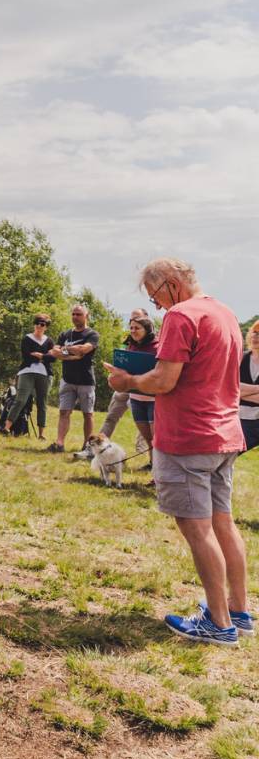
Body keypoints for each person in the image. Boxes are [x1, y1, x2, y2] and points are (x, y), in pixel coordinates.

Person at [105, 257, 250, 644]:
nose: (157, 307)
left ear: (171, 283)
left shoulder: (181, 316)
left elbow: (165, 380)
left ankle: (218, 624)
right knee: (223, 523)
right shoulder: (226, 313)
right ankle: (238, 609)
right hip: (224, 434)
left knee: (198, 530)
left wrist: (127, 379)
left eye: (155, 297)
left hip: (188, 437)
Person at [47, 304, 99, 454]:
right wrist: (73, 355)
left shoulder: (92, 334)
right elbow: (54, 352)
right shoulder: (65, 334)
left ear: (86, 316)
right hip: (67, 379)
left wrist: (65, 351)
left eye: (79, 314)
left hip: (86, 381)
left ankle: (87, 446)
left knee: (87, 414)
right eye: (73, 314)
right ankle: (59, 443)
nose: (75, 317)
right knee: (64, 412)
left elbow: (84, 350)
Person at [97, 307, 150, 447]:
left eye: (137, 319)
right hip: (124, 386)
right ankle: (96, 447)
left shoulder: (154, 342)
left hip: (141, 389)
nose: (133, 323)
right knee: (111, 417)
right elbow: (122, 356)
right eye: (131, 320)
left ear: (146, 320)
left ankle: (142, 449)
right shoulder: (128, 339)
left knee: (143, 420)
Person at [4, 315, 54, 439]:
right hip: (27, 372)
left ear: (46, 327)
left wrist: (40, 356)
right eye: (37, 323)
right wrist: (44, 356)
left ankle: (41, 434)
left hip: (44, 375)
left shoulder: (49, 341)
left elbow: (53, 358)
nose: (39, 326)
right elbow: (26, 355)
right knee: (20, 400)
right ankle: (6, 428)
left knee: (42, 404)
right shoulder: (27, 338)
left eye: (42, 324)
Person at [123, 313, 159, 463]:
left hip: (153, 398)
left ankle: (158, 471)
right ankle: (152, 464)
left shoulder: (157, 347)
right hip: (135, 398)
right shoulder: (131, 346)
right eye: (131, 328)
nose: (133, 331)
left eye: (137, 328)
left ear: (147, 329)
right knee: (147, 437)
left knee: (156, 436)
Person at [239, 322, 259, 454]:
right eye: (255, 332)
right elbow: (230, 388)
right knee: (226, 457)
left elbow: (236, 390)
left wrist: (241, 391)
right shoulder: (239, 358)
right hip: (240, 419)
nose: (256, 336)